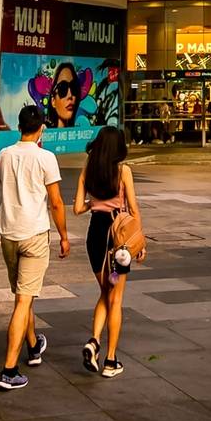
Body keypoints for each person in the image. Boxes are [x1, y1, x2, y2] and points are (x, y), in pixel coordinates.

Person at [0, 104, 67, 392]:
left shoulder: (4, 155)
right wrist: (63, 235)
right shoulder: (46, 158)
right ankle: (9, 369)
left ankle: (34, 346)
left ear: (19, 126)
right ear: (41, 129)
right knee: (23, 300)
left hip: (9, 233)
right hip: (35, 233)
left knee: (24, 295)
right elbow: (57, 202)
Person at [75, 126, 140, 379]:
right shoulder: (123, 171)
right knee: (116, 298)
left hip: (95, 234)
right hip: (119, 237)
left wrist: (95, 202)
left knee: (105, 291)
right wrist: (140, 243)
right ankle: (111, 361)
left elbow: (78, 208)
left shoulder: (87, 170)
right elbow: (133, 209)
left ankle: (93, 342)